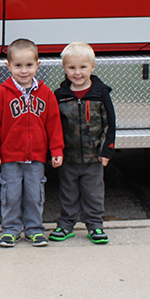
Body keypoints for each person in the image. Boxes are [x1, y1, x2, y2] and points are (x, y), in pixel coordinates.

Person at [0, 39, 64, 248]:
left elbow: (54, 124)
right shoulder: (1, 94)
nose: (23, 70)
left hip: (37, 157)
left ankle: (34, 230)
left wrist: (56, 149)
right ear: (8, 66)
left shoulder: (46, 94)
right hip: (10, 157)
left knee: (34, 195)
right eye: (18, 65)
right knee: (10, 195)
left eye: (29, 65)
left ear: (37, 65)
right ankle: (10, 230)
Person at [52, 42, 116, 245]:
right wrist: (56, 151)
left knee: (93, 192)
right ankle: (66, 225)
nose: (77, 72)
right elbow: (54, 127)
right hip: (68, 157)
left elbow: (110, 123)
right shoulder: (60, 96)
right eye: (72, 67)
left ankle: (95, 224)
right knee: (68, 193)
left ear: (93, 67)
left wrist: (107, 150)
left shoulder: (100, 94)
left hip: (93, 157)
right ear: (64, 68)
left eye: (83, 67)